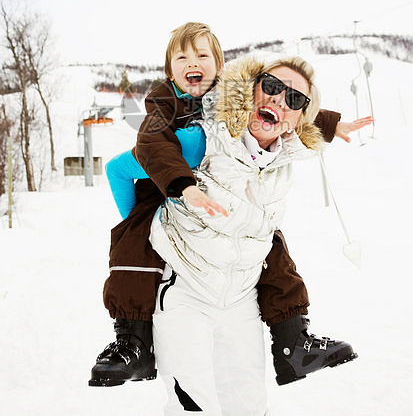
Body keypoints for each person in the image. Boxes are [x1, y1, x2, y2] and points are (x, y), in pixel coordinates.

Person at [89, 22, 373, 388]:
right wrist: (172, 192)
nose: (194, 62)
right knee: (133, 241)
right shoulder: (165, 103)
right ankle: (133, 341)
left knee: (271, 247)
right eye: (182, 57)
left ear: (220, 65)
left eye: (203, 55)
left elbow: (288, 104)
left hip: (211, 201)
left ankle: (293, 341)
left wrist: (333, 125)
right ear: (169, 68)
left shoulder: (232, 95)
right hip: (167, 182)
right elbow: (146, 146)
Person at [149, 53, 357, 414]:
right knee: (194, 404)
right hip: (186, 292)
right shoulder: (208, 134)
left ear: (295, 121)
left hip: (241, 303)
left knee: (247, 404)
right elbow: (149, 143)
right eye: (272, 87)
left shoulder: (282, 163)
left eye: (293, 99)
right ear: (250, 90)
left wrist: (330, 124)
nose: (279, 99)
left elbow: (307, 128)